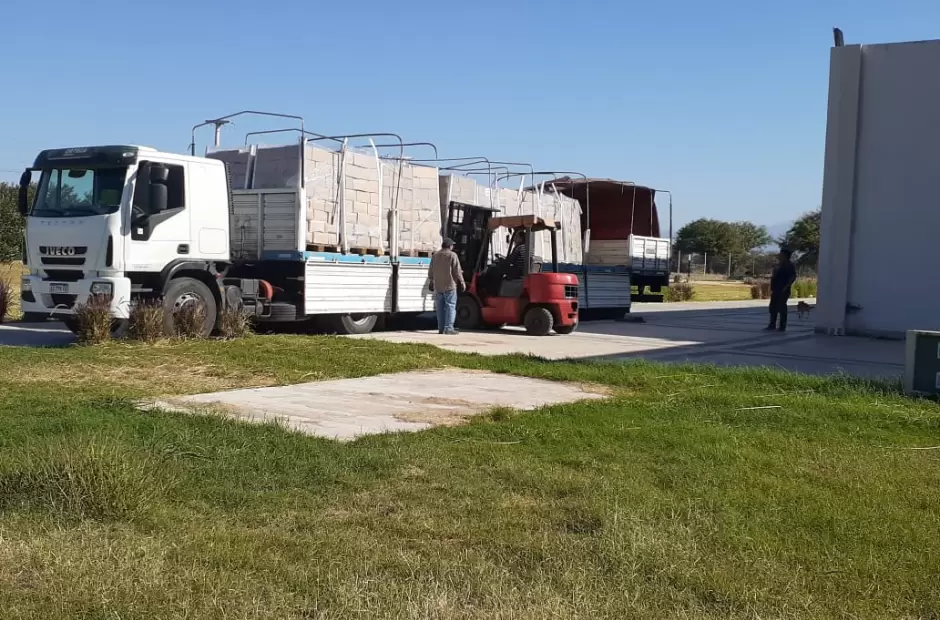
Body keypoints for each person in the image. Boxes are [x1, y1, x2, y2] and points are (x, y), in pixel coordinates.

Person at [428, 238, 465, 335]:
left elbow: (431, 270)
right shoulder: (452, 255)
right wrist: (462, 282)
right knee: (450, 307)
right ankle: (449, 328)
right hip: (449, 285)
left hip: (438, 286)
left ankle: (440, 328)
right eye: (452, 245)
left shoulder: (435, 255)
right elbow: (457, 270)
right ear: (450, 246)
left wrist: (431, 281)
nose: (453, 247)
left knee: (440, 308)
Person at [766, 248, 797, 332]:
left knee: (781, 307)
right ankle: (772, 324)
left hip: (783, 289)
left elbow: (792, 277)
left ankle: (782, 326)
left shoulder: (789, 265)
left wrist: (787, 286)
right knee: (773, 306)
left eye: (781, 254)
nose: (779, 255)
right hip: (776, 289)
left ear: (785, 255)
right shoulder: (779, 264)